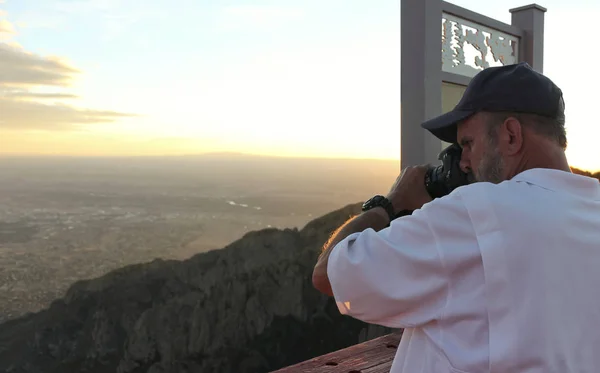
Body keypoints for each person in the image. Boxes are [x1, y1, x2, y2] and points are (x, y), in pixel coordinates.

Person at [312, 62, 600, 373]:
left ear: (511, 135)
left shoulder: (478, 214)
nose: (462, 162)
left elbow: (329, 274)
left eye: (467, 144)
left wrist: (390, 203)